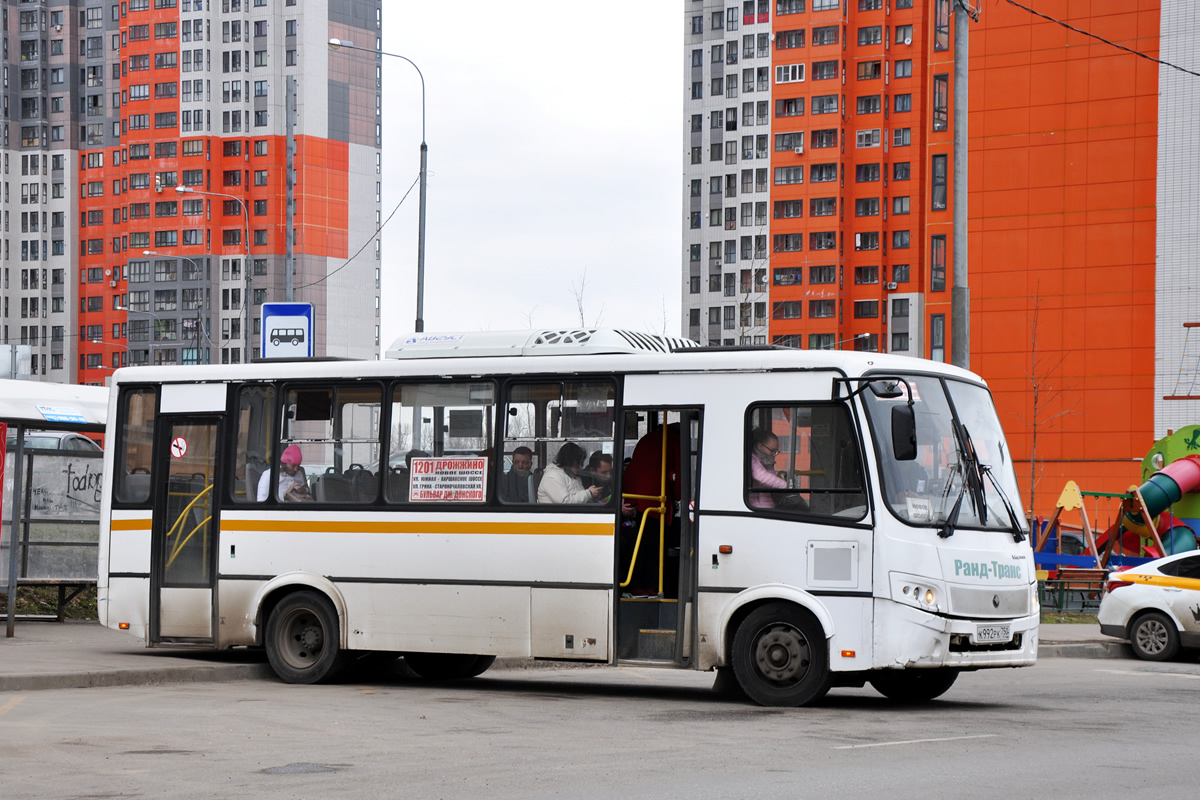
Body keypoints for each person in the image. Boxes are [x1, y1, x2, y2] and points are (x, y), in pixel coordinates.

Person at [536, 442, 601, 504]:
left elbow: (579, 498)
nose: (581, 467)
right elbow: (565, 503)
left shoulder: (572, 475)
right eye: (579, 463)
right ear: (569, 461)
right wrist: (588, 493)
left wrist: (592, 497)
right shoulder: (552, 477)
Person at [749, 428, 788, 509]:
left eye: (776, 452)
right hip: (756, 506)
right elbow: (760, 476)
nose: (774, 455)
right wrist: (784, 485)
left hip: (768, 504)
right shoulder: (751, 459)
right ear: (760, 446)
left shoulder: (766, 461)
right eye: (772, 450)